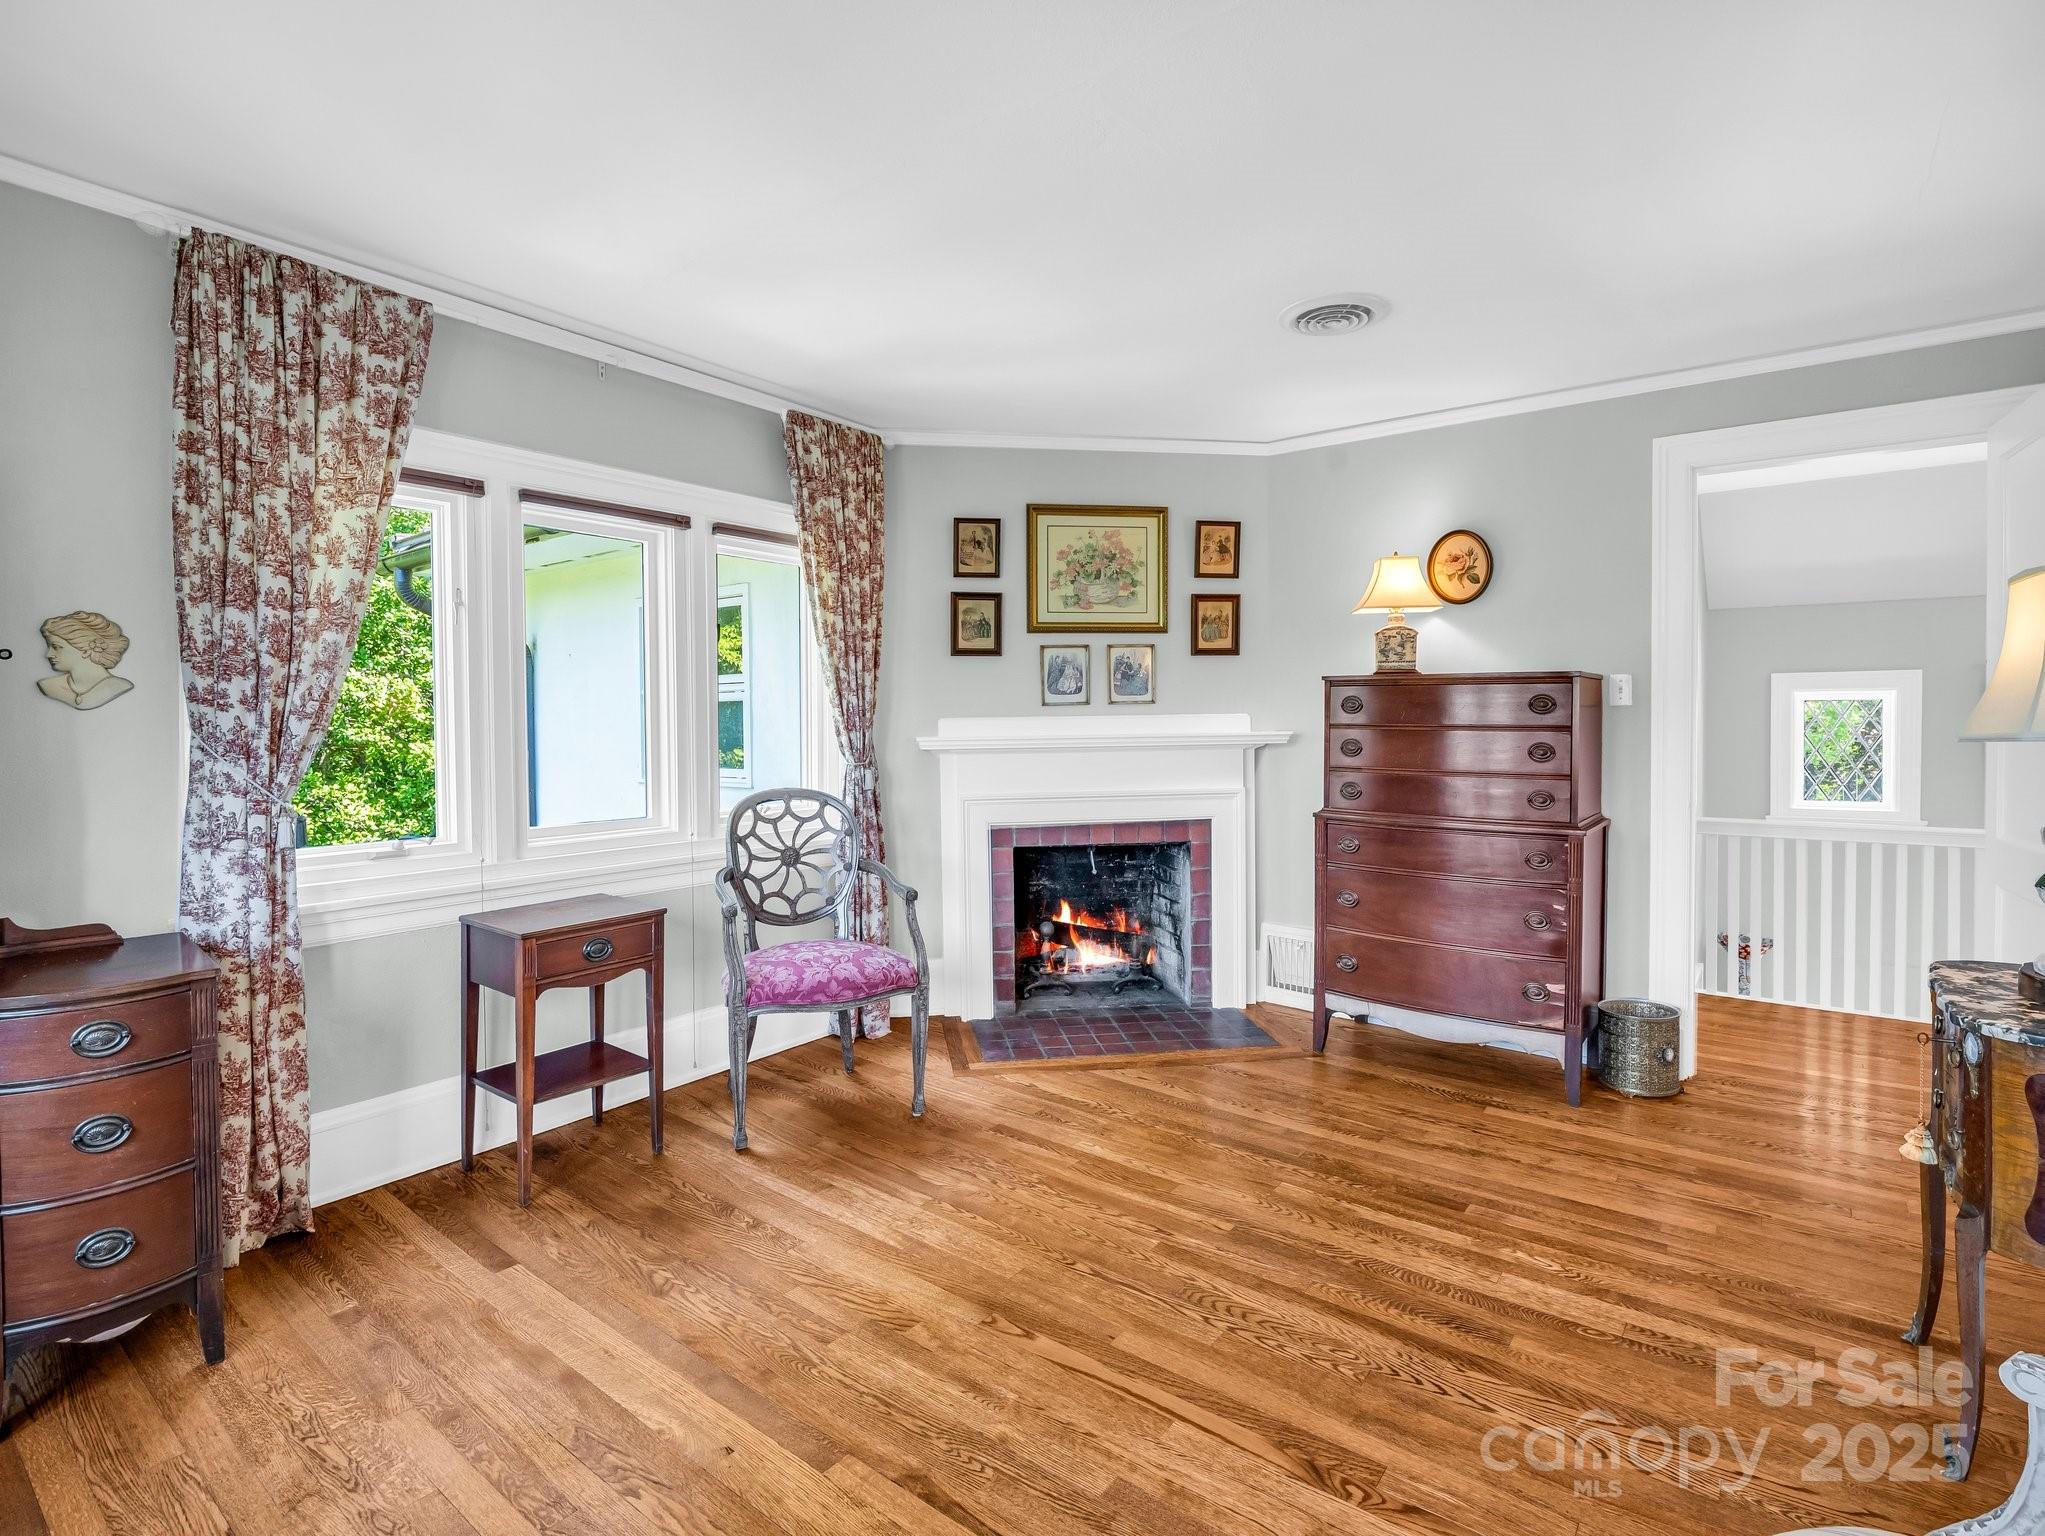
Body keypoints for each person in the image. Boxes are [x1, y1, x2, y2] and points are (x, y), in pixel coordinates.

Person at [38, 611, 134, 711]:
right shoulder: (48, 686)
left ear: (86, 649)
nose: (48, 654)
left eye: (56, 647)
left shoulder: (120, 687)